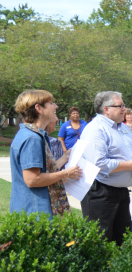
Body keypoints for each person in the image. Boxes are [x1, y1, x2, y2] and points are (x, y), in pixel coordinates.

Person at [80, 91, 132, 246]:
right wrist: (130, 165)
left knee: (123, 239)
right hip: (100, 193)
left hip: (121, 192)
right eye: (120, 106)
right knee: (101, 242)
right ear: (106, 109)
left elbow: (128, 153)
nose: (124, 109)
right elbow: (99, 163)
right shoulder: (95, 130)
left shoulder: (123, 128)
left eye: (124, 105)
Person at [10, 90, 81, 219]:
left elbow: (45, 169)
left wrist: (66, 157)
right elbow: (32, 179)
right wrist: (66, 173)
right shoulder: (32, 138)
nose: (56, 106)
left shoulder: (32, 134)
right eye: (51, 103)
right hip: (36, 213)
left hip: (35, 211)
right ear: (39, 108)